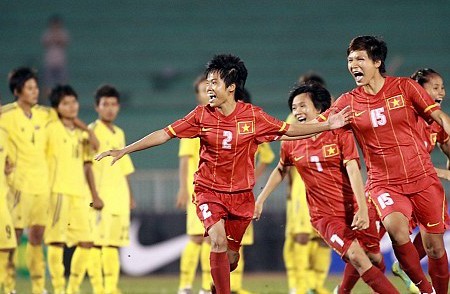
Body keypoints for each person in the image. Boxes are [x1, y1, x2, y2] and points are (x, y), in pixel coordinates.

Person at [95, 54, 351, 294]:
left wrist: (328, 124)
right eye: (207, 82)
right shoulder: (201, 115)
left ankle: (219, 285)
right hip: (209, 192)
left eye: (214, 82)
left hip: (241, 198)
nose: (208, 88)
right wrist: (125, 150)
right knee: (216, 241)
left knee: (230, 257)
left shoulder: (253, 117)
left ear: (231, 86)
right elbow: (165, 133)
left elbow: (288, 130)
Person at [319, 35, 450, 294]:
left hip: (422, 177)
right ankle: (426, 290)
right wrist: (284, 130)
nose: (353, 64)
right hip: (384, 183)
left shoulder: (404, 88)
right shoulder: (348, 101)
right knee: (396, 230)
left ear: (377, 61)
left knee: (434, 247)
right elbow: (319, 125)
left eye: (360, 59)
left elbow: (438, 116)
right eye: (350, 60)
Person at [254, 82, 398, 294]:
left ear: (319, 108)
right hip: (325, 216)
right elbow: (281, 169)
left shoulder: (339, 132)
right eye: (293, 108)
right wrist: (260, 199)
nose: (297, 112)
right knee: (357, 256)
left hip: (353, 206)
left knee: (374, 257)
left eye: (302, 106)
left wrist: (362, 208)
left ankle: (344, 291)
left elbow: (353, 169)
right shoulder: (291, 141)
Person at [0, 67, 97, 294]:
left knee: (36, 238)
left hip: (42, 187)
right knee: (11, 240)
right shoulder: (6, 115)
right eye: (30, 88)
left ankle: (38, 287)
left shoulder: (46, 114)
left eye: (35, 87)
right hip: (17, 185)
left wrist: (89, 131)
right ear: (17, 90)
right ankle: (9, 286)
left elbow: (70, 116)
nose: (35, 92)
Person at [391, 68, 449, 294]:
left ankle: (407, 269)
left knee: (435, 242)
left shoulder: (436, 122)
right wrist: (441, 173)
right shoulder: (402, 118)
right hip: (395, 187)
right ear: (417, 90)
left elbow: (447, 146)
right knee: (372, 250)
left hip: (423, 187)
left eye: (442, 87)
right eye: (435, 87)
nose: (441, 92)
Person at [44, 85, 103, 294]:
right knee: (56, 241)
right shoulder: (50, 127)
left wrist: (95, 194)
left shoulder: (81, 134)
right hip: (56, 191)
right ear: (56, 107)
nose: (71, 107)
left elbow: (89, 163)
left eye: (74, 102)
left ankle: (72, 289)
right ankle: (59, 289)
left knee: (87, 242)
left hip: (79, 194)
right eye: (65, 103)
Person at [284, 74, 331, 294]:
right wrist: (289, 188)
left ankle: (316, 285)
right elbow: (286, 161)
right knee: (301, 236)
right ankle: (299, 286)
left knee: (324, 238)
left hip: (326, 185)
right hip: (302, 185)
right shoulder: (294, 119)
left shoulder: (332, 118)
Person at [87, 84, 136, 294]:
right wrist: (93, 195)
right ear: (97, 107)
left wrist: (130, 195)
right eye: (105, 104)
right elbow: (85, 165)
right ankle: (100, 289)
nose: (110, 108)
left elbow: (125, 168)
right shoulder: (90, 132)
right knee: (97, 244)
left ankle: (112, 287)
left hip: (119, 197)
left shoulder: (119, 133)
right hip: (99, 197)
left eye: (114, 104)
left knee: (114, 245)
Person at [176, 75, 213, 294]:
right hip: (196, 190)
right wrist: (182, 187)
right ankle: (185, 285)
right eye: (202, 89)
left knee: (211, 238)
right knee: (196, 237)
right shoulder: (193, 122)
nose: (206, 92)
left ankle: (206, 287)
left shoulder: (219, 119)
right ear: (197, 94)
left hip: (215, 189)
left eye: (209, 88)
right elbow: (184, 160)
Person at [0, 99, 18, 292]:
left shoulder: (4, 134)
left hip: (2, 197)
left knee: (7, 244)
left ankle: (7, 287)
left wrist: (7, 169)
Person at [41, 15, 70, 94]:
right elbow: (44, 43)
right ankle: (47, 98)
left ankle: (63, 95)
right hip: (49, 61)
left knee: (62, 82)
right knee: (48, 82)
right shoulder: (47, 33)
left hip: (60, 61)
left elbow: (65, 42)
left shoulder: (63, 33)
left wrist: (57, 37)